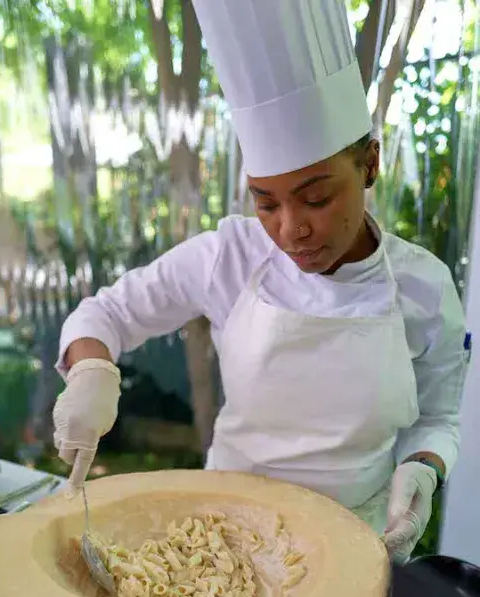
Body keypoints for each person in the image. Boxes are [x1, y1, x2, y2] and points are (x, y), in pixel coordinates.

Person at [53, 0, 468, 563]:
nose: (292, 230)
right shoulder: (231, 255)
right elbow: (107, 314)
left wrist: (422, 470)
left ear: (370, 164)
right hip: (219, 547)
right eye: (266, 203)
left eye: (316, 198)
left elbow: (439, 416)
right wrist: (92, 372)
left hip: (353, 551)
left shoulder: (424, 287)